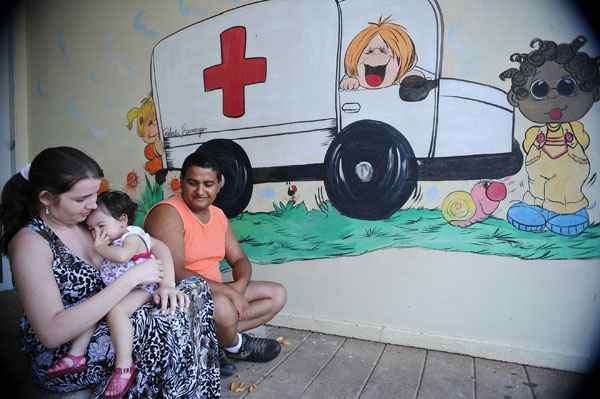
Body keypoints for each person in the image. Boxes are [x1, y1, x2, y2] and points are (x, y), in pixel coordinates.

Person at [0, 147, 221, 398]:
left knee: (191, 289)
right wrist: (132, 278)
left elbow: (154, 245)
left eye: (96, 194)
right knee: (166, 321)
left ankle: (189, 386)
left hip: (110, 319)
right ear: (47, 198)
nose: (93, 205)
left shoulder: (87, 222)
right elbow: (51, 333)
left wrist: (167, 284)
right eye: (82, 198)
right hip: (70, 352)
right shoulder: (31, 242)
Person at [144, 150, 287, 376]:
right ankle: (237, 345)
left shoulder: (218, 214)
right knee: (222, 307)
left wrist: (238, 288)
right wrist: (228, 294)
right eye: (193, 183)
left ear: (219, 185)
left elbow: (239, 259)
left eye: (208, 184)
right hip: (179, 297)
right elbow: (175, 272)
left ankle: (211, 343)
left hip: (214, 291)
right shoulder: (167, 213)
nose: (200, 191)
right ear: (181, 183)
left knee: (276, 294)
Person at [46, 190, 165, 397]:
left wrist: (99, 247)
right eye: (92, 229)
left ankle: (125, 367)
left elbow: (122, 257)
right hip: (124, 287)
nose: (97, 234)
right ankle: (76, 355)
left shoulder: (132, 236)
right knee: (94, 307)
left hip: (144, 287)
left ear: (122, 220)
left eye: (101, 226)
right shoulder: (110, 241)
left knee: (116, 312)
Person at [499, 36, 599, 236]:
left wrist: (570, 141)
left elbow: (584, 143)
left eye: (566, 87)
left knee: (567, 181)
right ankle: (536, 208)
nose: (553, 96)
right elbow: (529, 148)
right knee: (537, 184)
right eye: (539, 89)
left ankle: (572, 212)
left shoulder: (575, 130)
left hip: (569, 198)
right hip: (537, 196)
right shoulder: (534, 133)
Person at [339, 16, 417, 90]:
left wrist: (411, 78)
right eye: (369, 51)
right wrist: (349, 82)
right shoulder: (353, 79)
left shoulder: (402, 77)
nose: (376, 54)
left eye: (383, 51)